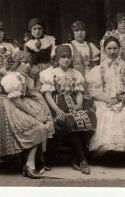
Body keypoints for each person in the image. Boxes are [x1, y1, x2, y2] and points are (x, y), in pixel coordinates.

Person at [0, 51, 55, 179]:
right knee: (36, 125)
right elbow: (17, 101)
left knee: (44, 122)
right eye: (24, 62)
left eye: (29, 63)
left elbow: (25, 94)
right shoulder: (11, 77)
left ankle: (31, 163)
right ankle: (27, 164)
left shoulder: (24, 77)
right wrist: (35, 115)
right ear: (17, 63)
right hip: (5, 106)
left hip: (16, 103)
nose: (28, 65)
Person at [86, 36, 125, 162]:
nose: (112, 52)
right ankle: (104, 150)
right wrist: (108, 100)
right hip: (105, 100)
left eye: (115, 48)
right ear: (104, 50)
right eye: (109, 48)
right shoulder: (98, 69)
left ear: (119, 49)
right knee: (103, 114)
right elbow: (93, 91)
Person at [40, 45, 96, 175]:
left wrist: (79, 105)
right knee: (70, 122)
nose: (66, 60)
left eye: (68, 57)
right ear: (57, 59)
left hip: (73, 103)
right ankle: (81, 159)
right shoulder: (51, 73)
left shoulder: (75, 73)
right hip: (57, 104)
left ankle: (76, 156)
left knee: (91, 118)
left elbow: (78, 92)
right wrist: (57, 110)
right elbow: (47, 94)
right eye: (63, 57)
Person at [23, 18, 56, 86]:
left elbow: (55, 57)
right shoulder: (27, 43)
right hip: (34, 71)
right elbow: (25, 61)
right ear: (30, 29)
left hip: (49, 69)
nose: (37, 31)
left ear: (43, 29)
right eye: (34, 29)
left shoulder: (50, 40)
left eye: (39, 28)